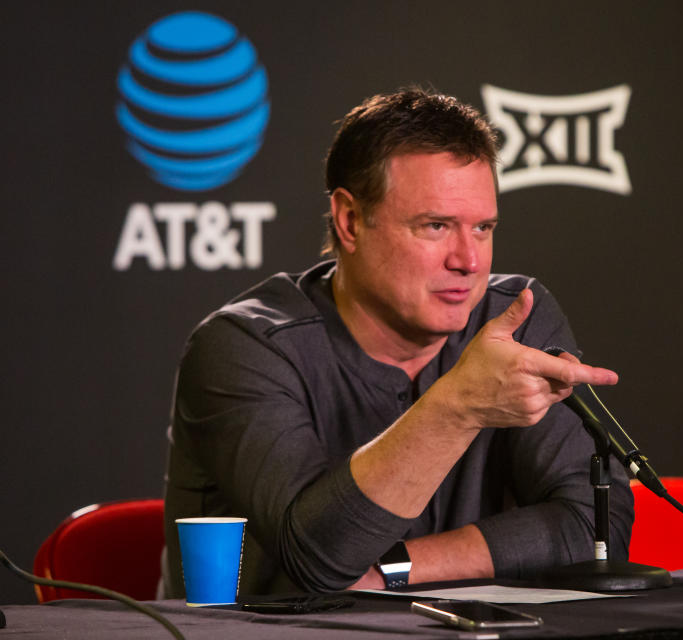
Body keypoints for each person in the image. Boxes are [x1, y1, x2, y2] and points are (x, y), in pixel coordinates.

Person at [161, 88, 634, 597]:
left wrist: (395, 568)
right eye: (435, 226)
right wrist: (458, 407)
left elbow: (595, 529)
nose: (469, 261)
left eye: (482, 228)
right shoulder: (245, 347)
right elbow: (319, 559)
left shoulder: (515, 318)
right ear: (349, 222)